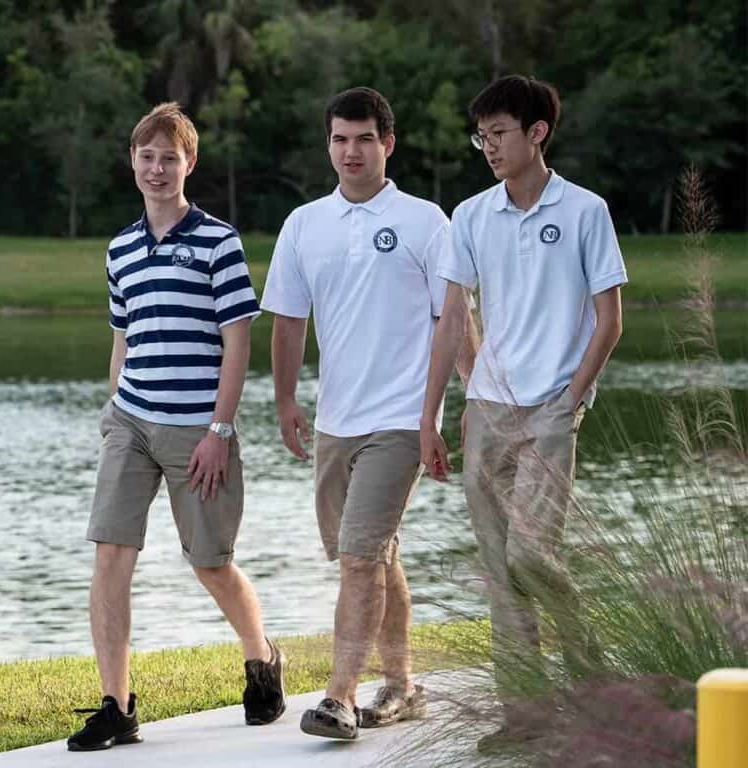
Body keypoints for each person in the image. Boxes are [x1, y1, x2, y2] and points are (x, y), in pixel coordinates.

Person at [67, 102, 286, 752]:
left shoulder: (219, 241)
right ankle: (117, 705)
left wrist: (221, 429)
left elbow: (238, 343)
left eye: (170, 157)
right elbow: (122, 338)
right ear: (132, 162)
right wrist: (114, 414)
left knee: (212, 562)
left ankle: (261, 658)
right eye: (147, 156)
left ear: (189, 164)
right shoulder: (121, 247)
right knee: (111, 555)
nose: (157, 168)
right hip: (131, 422)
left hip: (199, 431)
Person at [420, 74, 626, 752]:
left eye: (499, 133)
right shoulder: (473, 215)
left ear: (536, 133)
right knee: (500, 570)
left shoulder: (585, 211)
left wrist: (572, 398)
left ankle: (591, 669)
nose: (488, 146)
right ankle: (528, 716)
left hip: (552, 410)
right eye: (481, 135)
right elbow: (453, 317)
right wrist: (434, 416)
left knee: (531, 555)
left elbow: (609, 319)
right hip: (487, 409)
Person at [263, 87, 465, 741]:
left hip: (401, 418)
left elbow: (456, 321)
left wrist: (474, 403)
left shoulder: (425, 221)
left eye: (364, 139)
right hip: (334, 420)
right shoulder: (304, 225)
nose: (351, 151)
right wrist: (288, 398)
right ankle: (404, 685)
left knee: (358, 559)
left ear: (388, 144)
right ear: (329, 145)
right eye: (340, 139)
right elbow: (289, 320)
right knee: (374, 557)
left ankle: (340, 698)